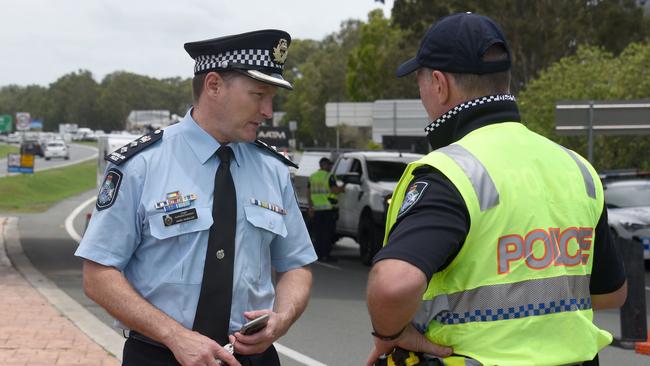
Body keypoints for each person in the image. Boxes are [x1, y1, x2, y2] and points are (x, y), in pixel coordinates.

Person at [365, 13, 627, 366]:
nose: (422, 93)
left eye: (421, 83)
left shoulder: (451, 172)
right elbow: (612, 293)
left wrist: (390, 334)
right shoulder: (577, 167)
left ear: (440, 84)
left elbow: (392, 286)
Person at [76, 29, 317, 366]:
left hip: (252, 357)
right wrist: (174, 335)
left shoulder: (272, 169)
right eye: (258, 94)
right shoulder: (142, 165)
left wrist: (283, 318)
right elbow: (98, 275)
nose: (267, 111)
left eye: (271, 98)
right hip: (162, 355)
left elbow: (296, 265)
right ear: (214, 85)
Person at [308, 157, 344, 262]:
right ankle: (326, 255)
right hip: (328, 209)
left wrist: (311, 208)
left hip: (317, 209)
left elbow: (309, 193)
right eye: (329, 165)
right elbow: (335, 190)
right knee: (328, 234)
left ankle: (318, 254)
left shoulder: (312, 177)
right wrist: (343, 187)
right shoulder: (329, 176)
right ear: (324, 165)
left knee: (318, 234)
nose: (330, 167)